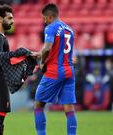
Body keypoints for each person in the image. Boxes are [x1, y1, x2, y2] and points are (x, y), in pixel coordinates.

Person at [0, 4, 39, 135]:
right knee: (0, 116)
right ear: (0, 19)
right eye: (10, 18)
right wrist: (25, 53)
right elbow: (1, 56)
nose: (13, 21)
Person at [34, 3, 77, 135]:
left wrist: (42, 62)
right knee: (69, 108)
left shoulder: (51, 28)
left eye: (44, 18)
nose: (44, 21)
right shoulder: (69, 29)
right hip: (69, 71)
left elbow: (47, 47)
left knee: (38, 105)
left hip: (54, 71)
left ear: (50, 16)